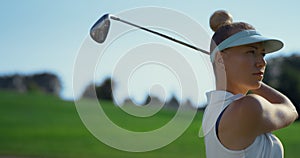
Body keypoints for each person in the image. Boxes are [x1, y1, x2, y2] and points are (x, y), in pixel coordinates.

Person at [202, 10, 298, 158]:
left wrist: (254, 80)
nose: (262, 62)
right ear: (220, 60)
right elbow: (290, 110)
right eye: (251, 52)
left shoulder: (213, 109)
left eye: (262, 54)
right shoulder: (249, 107)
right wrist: (256, 82)